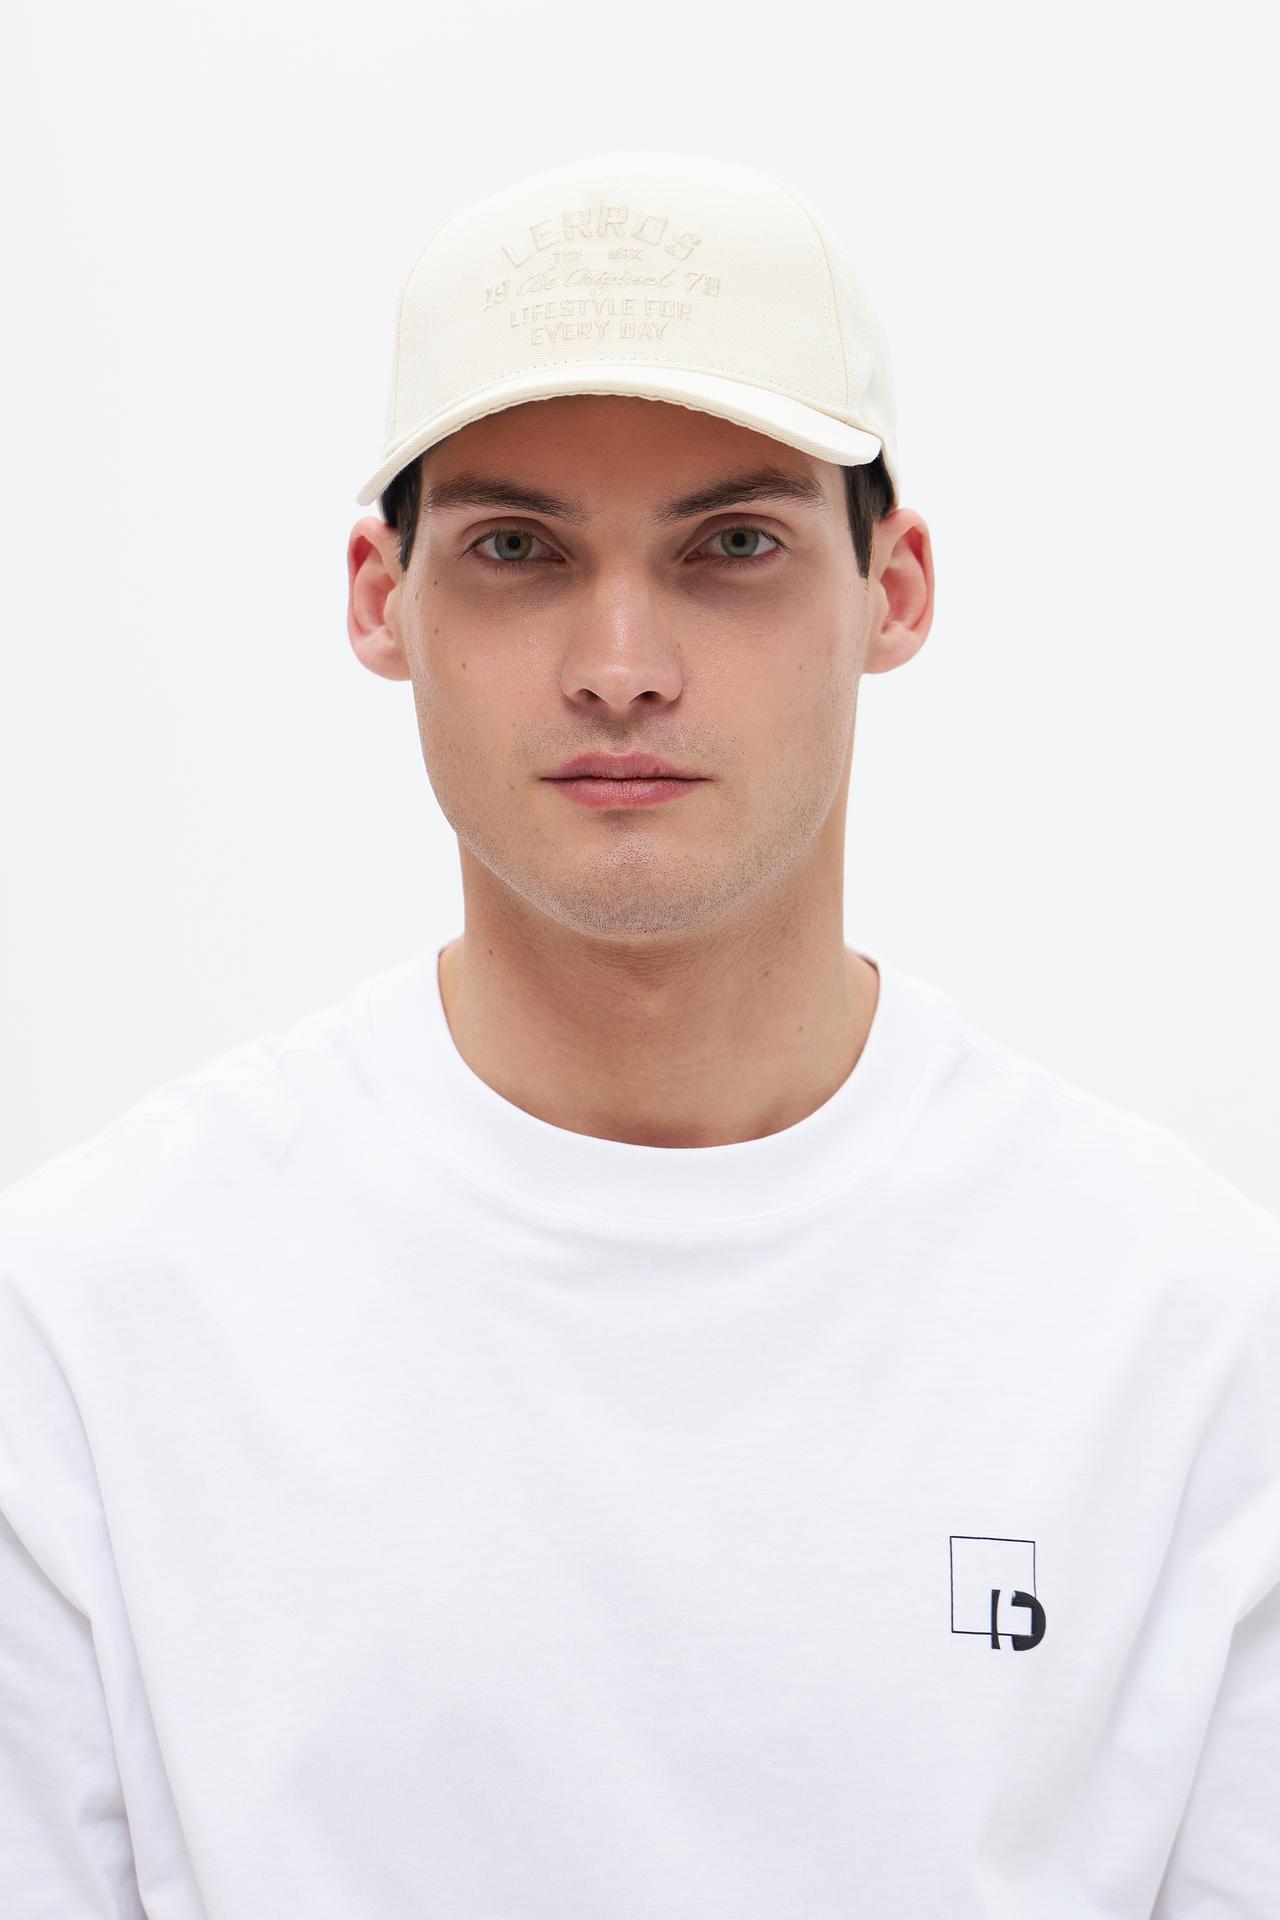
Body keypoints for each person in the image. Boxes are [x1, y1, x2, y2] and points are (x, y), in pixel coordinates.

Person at [1, 150, 1276, 1919]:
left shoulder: (1190, 1336)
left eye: (731, 546)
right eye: (516, 549)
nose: (620, 664)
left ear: (894, 588)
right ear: (380, 598)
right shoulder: (92, 1323)